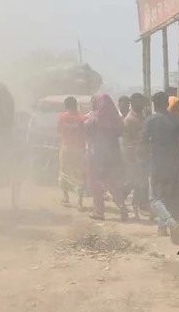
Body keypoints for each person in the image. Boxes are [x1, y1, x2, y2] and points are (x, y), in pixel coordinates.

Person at [143, 91, 179, 242]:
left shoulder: (150, 121)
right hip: (173, 163)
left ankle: (170, 222)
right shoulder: (177, 121)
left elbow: (144, 142)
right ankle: (162, 228)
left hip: (156, 163)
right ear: (167, 103)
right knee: (166, 197)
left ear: (154, 104)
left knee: (154, 198)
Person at [85, 93, 128, 221]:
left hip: (96, 155)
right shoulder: (117, 119)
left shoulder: (91, 118)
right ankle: (121, 205)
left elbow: (87, 134)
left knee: (95, 183)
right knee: (111, 183)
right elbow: (121, 132)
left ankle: (99, 211)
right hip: (114, 156)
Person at [122, 93, 149, 219]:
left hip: (142, 155)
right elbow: (127, 141)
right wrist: (132, 158)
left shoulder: (141, 117)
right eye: (140, 103)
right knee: (133, 183)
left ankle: (136, 208)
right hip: (133, 156)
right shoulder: (129, 120)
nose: (142, 105)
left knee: (140, 183)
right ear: (133, 103)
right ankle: (121, 201)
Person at [57, 96, 87, 208]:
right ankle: (80, 201)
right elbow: (86, 133)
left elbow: (59, 131)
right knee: (79, 175)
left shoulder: (61, 118)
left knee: (64, 173)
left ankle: (65, 196)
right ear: (76, 105)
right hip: (79, 149)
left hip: (66, 149)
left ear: (65, 106)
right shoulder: (83, 118)